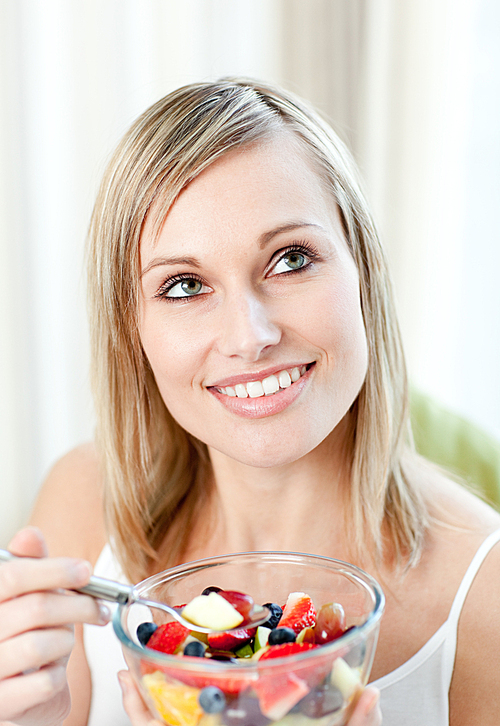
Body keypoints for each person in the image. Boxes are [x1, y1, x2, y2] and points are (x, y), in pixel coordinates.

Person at [1, 78, 499, 726]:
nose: (249, 337)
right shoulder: (81, 505)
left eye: (291, 259)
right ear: (133, 330)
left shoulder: (485, 599)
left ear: (364, 274)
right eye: (184, 285)